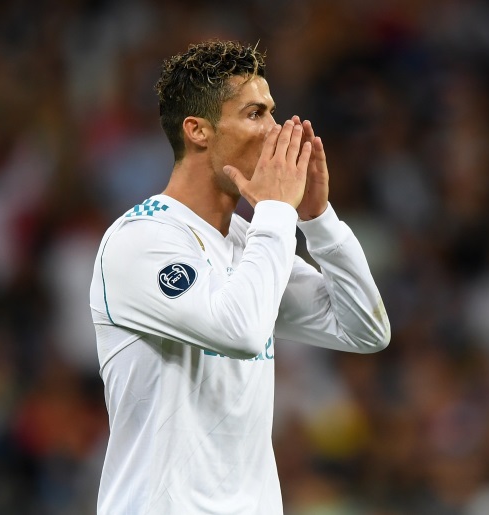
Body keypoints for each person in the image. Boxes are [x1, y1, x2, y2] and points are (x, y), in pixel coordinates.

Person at [89, 39, 390, 514]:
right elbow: (241, 330)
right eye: (255, 114)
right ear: (198, 131)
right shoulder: (140, 240)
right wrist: (274, 210)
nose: (275, 132)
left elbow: (365, 330)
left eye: (272, 112)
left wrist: (318, 217)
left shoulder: (252, 241)